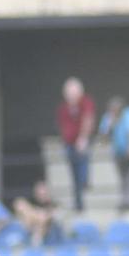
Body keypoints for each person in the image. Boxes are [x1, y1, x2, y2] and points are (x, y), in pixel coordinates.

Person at [99, 97, 129, 212]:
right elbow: (103, 140)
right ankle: (125, 201)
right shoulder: (108, 117)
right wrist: (109, 126)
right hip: (117, 152)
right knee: (123, 178)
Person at [56, 78, 95, 212]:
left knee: (83, 167)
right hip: (69, 144)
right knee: (73, 175)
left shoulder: (85, 103)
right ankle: (78, 203)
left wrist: (83, 138)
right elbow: (62, 126)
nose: (71, 96)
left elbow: (88, 119)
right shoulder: (63, 108)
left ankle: (85, 182)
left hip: (81, 141)